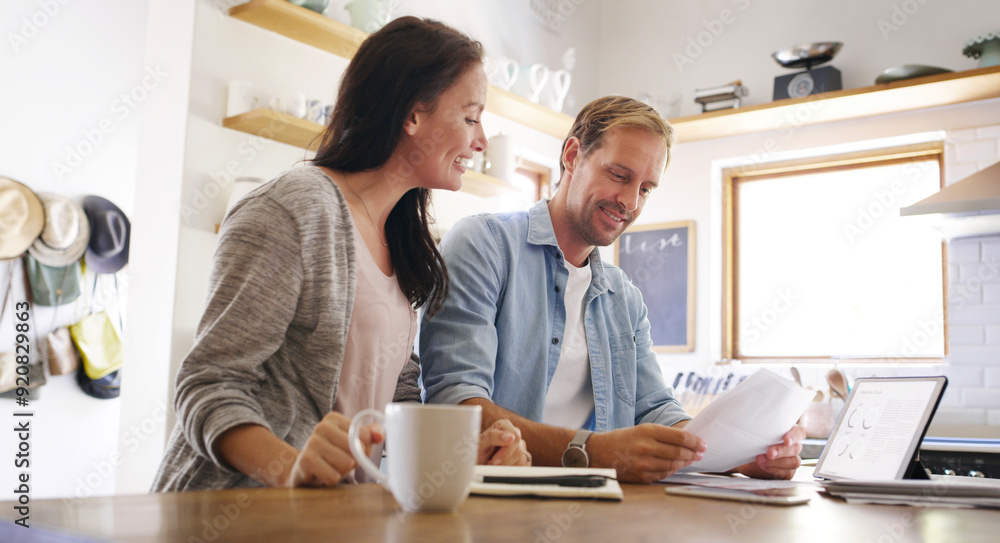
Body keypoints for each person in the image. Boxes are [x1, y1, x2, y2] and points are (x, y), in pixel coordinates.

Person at [152, 17, 529, 492]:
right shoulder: (293, 209)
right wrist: (288, 468)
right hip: (231, 514)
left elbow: (391, 402)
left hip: (326, 519)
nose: (480, 140)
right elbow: (207, 384)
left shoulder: (400, 237)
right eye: (471, 117)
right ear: (412, 117)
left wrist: (459, 450)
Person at [419, 96, 804, 483]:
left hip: (598, 509)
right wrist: (594, 452)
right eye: (620, 175)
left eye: (646, 188)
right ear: (572, 156)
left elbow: (655, 409)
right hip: (489, 506)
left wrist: (741, 456)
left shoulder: (624, 297)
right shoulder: (483, 245)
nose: (630, 203)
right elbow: (456, 404)